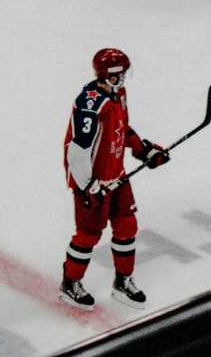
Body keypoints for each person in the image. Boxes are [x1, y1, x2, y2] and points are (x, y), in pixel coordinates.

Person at [60, 48, 170, 309]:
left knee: (127, 226)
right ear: (108, 75)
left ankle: (123, 281)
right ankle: (70, 284)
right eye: (119, 73)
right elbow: (77, 151)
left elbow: (121, 128)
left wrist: (143, 149)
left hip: (116, 175)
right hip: (93, 182)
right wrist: (89, 186)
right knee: (88, 235)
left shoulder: (118, 94)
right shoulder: (90, 105)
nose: (123, 77)